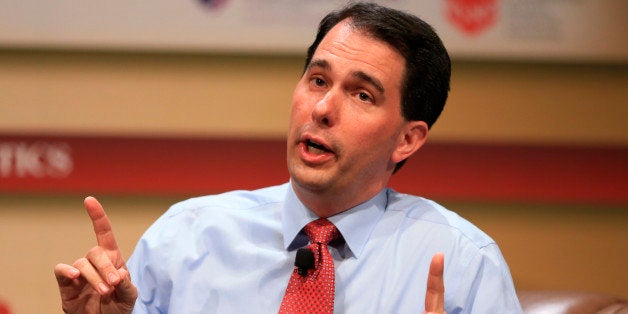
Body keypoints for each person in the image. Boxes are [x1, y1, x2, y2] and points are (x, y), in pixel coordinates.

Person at [54, 2, 522, 313]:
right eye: (318, 80)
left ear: (408, 140)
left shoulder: (464, 264)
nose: (321, 109)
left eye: (361, 94)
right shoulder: (188, 237)